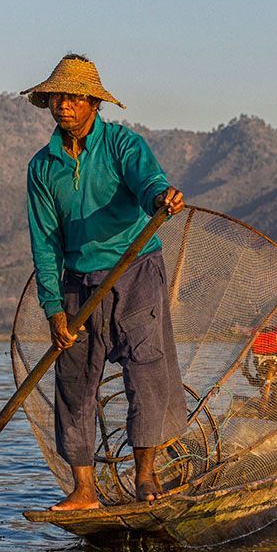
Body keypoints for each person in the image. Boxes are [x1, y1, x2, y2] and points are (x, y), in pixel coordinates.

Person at [22, 54, 187, 510]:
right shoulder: (42, 168)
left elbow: (149, 180)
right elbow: (44, 241)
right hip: (78, 281)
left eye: (74, 98)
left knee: (146, 371)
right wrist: (54, 308)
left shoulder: (122, 145)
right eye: (58, 97)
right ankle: (84, 490)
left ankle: (146, 476)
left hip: (135, 272)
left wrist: (161, 196)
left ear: (94, 103)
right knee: (74, 382)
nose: (64, 106)